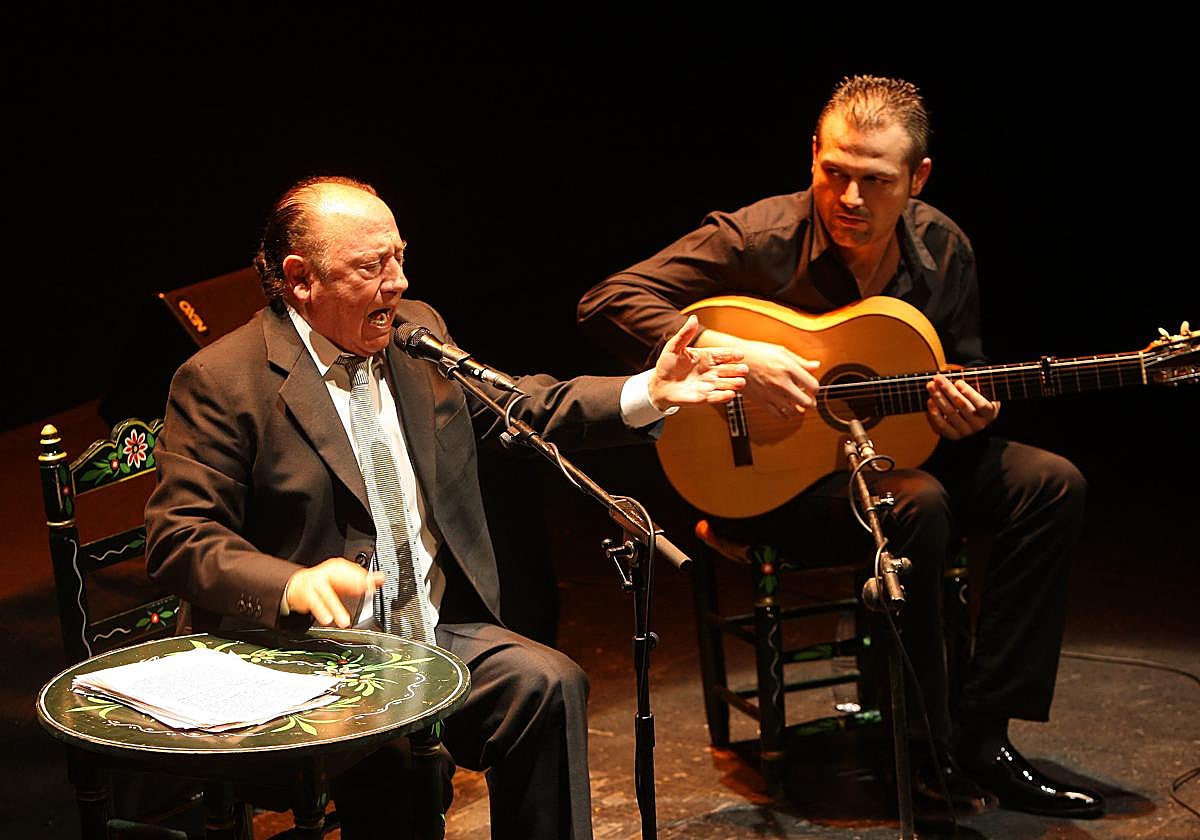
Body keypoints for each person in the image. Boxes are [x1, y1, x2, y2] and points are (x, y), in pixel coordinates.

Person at [144, 175, 747, 840]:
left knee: (545, 686)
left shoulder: (416, 332)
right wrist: (291, 583)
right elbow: (180, 536)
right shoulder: (223, 380)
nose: (397, 282)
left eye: (399, 256)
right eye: (371, 266)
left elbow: (516, 406)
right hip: (311, 656)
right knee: (399, 767)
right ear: (300, 279)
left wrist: (648, 391)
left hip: (430, 632)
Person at [576, 75, 1105, 820]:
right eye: (835, 173)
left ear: (918, 178)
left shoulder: (943, 249)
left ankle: (983, 733)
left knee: (1051, 483)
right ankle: (919, 750)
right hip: (768, 482)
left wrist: (966, 413)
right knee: (915, 502)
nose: (850, 198)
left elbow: (961, 370)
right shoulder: (756, 238)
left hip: (893, 460)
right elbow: (606, 301)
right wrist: (739, 354)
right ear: (813, 157)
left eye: (876, 180)